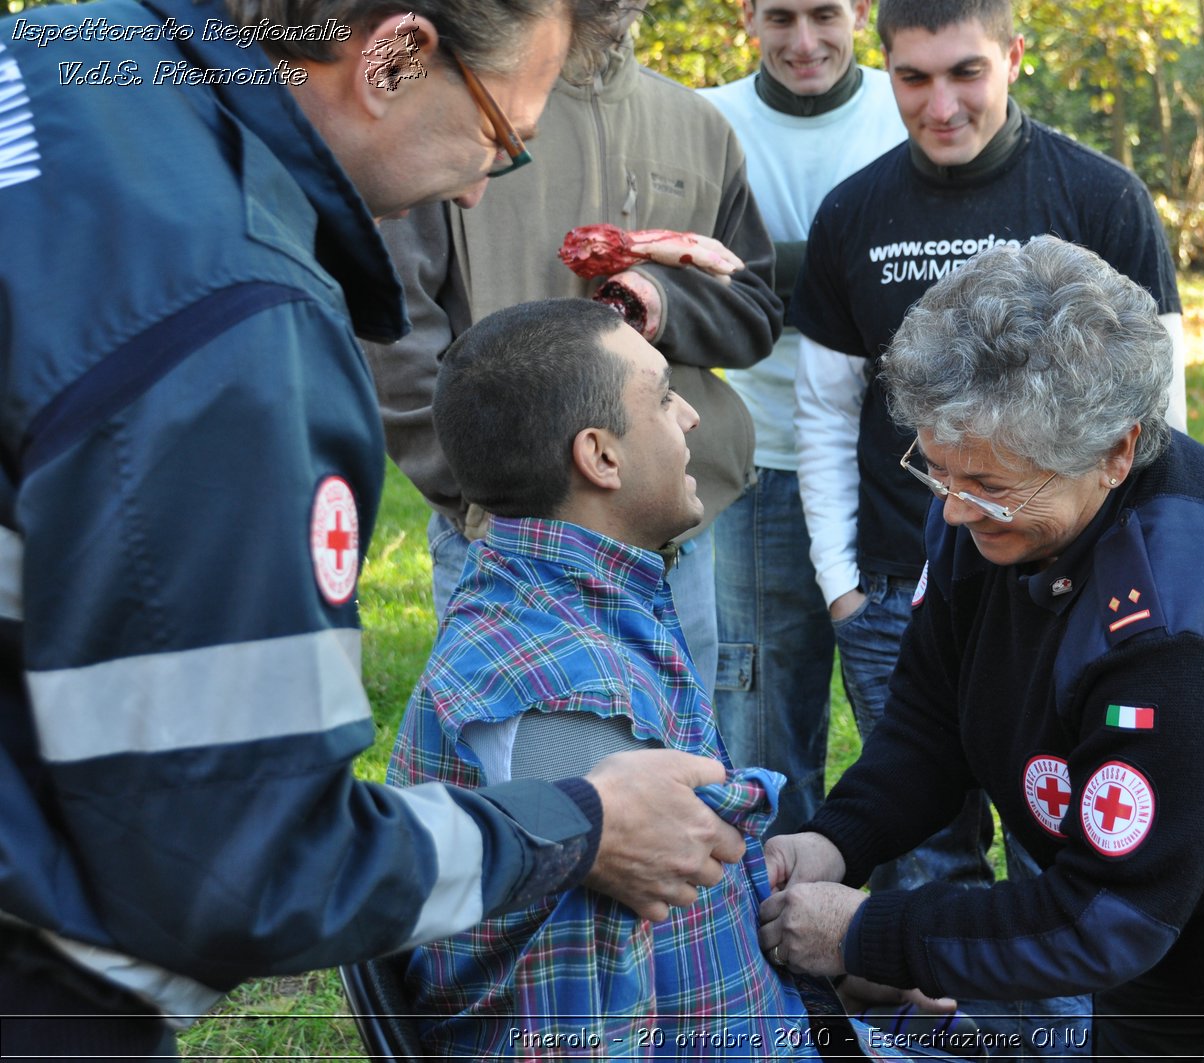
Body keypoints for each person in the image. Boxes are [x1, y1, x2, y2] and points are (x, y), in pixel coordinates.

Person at [0, 1, 748, 1057]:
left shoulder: (69, 55)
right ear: (393, 58)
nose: (482, 186)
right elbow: (244, 867)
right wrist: (579, 824)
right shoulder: (225, 313)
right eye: (500, 136)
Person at [758, 234, 1204, 1058]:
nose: (953, 510)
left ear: (1117, 451)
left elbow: (1104, 919)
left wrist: (868, 932)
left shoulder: (1187, 627)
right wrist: (837, 839)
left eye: (988, 486)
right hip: (1168, 915)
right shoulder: (999, 501)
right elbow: (931, 716)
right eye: (939, 468)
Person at [390, 298, 972, 1059]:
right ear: (601, 456)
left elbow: (688, 959)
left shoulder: (564, 605)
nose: (692, 416)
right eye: (663, 396)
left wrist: (837, 983)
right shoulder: (568, 695)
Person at [789, 0, 1185, 896]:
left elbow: (1158, 412)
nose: (941, 105)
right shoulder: (853, 211)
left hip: (1076, 583)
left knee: (1070, 840)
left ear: (1012, 56)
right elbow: (822, 414)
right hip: (902, 584)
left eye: (966, 72)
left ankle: (1053, 1041)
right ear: (882, 67)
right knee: (925, 845)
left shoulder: (1100, 195)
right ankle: (960, 1041)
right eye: (914, 77)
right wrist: (841, 586)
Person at [365, 2, 782, 681]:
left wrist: (662, 301)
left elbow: (756, 310)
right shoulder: (463, 105)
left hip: (674, 553)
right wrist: (480, 490)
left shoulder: (701, 128)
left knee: (679, 771)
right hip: (506, 546)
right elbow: (390, 324)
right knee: (524, 774)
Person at [700, 0, 905, 836]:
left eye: (825, 14)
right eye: (779, 17)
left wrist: (769, 275)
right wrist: (854, 270)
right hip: (760, 462)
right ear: (747, 14)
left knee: (905, 714)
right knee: (761, 721)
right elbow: (689, 282)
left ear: (861, 9)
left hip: (898, 467)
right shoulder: (709, 121)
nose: (804, 42)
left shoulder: (913, 106)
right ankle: (773, 936)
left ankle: (899, 931)